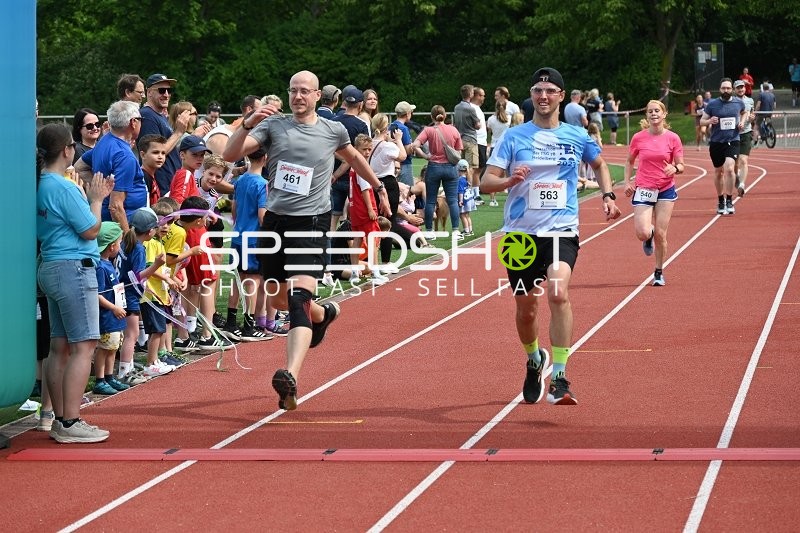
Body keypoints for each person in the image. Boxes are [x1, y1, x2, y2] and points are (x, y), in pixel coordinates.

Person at [221, 70, 391, 411]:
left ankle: (290, 375)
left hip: (311, 223)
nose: (298, 96)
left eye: (305, 91)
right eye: (293, 91)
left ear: (317, 96)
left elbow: (355, 158)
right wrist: (246, 122)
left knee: (297, 300)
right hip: (276, 221)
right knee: (281, 300)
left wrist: (379, 186)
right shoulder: (273, 126)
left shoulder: (334, 129)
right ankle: (323, 314)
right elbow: (229, 154)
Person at [480, 67, 621, 406]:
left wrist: (607, 195)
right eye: (537, 90)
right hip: (520, 236)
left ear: (561, 95)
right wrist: (509, 182)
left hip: (561, 230)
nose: (543, 96)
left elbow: (600, 165)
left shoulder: (576, 135)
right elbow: (485, 182)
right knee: (527, 310)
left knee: (558, 293)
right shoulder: (513, 138)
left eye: (550, 90)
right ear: (531, 96)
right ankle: (533, 359)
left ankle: (559, 375)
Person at [36, 123, 115, 443]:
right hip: (73, 268)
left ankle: (57, 417)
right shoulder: (62, 186)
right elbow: (90, 230)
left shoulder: (40, 183)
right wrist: (96, 199)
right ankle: (70, 421)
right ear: (68, 149)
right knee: (83, 346)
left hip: (52, 266)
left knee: (60, 346)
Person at [623, 100, 684, 286]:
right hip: (644, 188)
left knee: (661, 233)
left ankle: (658, 271)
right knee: (643, 232)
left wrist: (675, 168)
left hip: (665, 189)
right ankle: (647, 238)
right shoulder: (638, 138)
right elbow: (629, 161)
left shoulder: (673, 138)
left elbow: (681, 165)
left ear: (664, 114)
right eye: (650, 111)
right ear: (647, 116)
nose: (653, 114)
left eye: (657, 111)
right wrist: (627, 182)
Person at [75, 100, 147, 232]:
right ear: (133, 122)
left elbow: (79, 167)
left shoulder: (104, 143)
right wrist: (128, 241)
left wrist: (101, 190)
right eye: (140, 119)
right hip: (124, 227)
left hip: (107, 222)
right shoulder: (124, 156)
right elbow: (115, 207)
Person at [409, 105, 464, 239]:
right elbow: (459, 151)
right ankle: (456, 231)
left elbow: (414, 145)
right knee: (452, 200)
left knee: (430, 201)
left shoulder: (428, 130)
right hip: (450, 168)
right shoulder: (453, 129)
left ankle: (429, 231)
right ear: (445, 116)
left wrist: (426, 155)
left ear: (432, 116)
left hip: (433, 167)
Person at [92, 222, 130, 395]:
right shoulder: (100, 267)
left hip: (116, 316)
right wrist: (114, 308)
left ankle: (109, 376)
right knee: (105, 347)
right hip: (107, 316)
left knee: (113, 347)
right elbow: (97, 294)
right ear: (112, 246)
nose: (120, 246)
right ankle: (99, 379)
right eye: (119, 243)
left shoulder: (108, 263)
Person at [699, 78, 746, 215]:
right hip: (716, 142)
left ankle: (729, 199)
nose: (726, 90)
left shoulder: (738, 102)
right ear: (720, 89)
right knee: (718, 172)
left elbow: (744, 112)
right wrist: (709, 120)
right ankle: (721, 200)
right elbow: (702, 121)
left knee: (730, 169)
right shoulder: (712, 104)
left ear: (732, 89)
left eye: (728, 88)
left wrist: (742, 122)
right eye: (723, 88)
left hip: (733, 140)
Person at [733, 79, 755, 198]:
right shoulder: (731, 101)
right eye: (738, 87)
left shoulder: (750, 101)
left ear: (745, 89)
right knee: (735, 163)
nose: (741, 89)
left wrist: (752, 118)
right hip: (733, 134)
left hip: (746, 133)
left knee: (743, 160)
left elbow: (752, 114)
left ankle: (742, 184)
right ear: (734, 90)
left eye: (742, 87)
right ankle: (736, 176)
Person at [456, 159, 476, 235]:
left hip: (464, 200)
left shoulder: (460, 180)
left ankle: (466, 230)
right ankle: (470, 230)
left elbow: (461, 192)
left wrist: (460, 201)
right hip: (470, 199)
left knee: (462, 215)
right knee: (467, 215)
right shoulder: (468, 178)